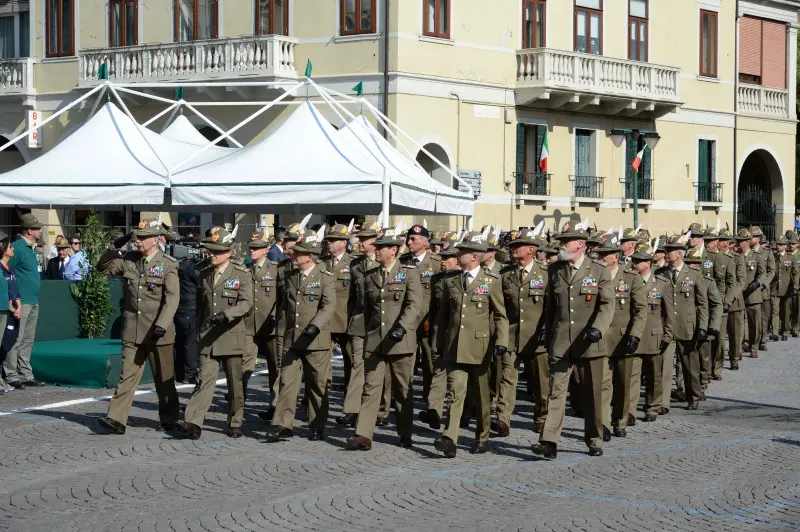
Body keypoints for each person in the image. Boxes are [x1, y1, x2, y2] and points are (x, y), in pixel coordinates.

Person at [532, 220, 614, 460]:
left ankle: (594, 438)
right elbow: (550, 307)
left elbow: (607, 305)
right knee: (556, 392)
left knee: (592, 395)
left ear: (580, 244)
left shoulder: (599, 270)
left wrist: (598, 328)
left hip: (590, 342)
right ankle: (548, 441)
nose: (561, 245)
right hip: (561, 342)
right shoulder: (555, 269)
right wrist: (546, 330)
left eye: (565, 241)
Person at [96, 219, 181, 434]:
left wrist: (162, 324)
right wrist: (116, 246)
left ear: (156, 240)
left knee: (164, 378)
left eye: (143, 238)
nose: (138, 241)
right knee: (127, 375)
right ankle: (116, 418)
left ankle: (169, 417)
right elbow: (103, 267)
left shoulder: (168, 264)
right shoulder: (130, 260)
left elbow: (172, 298)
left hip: (158, 331)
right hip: (133, 330)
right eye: (137, 237)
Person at [346, 224, 423, 451]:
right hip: (375, 340)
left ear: (394, 250)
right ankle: (363, 435)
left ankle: (405, 432)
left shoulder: (409, 274)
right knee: (371, 388)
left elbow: (414, 305)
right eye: (376, 246)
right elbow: (368, 309)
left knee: (401, 390)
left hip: (400, 340)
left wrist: (402, 327)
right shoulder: (370, 276)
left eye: (381, 247)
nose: (376, 250)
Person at [432, 231, 508, 458]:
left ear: (474, 256)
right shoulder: (451, 280)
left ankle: (482, 436)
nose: (458, 254)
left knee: (482, 396)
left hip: (480, 348)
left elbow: (499, 315)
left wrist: (501, 342)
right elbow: (443, 316)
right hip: (455, 346)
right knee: (455, 393)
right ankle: (449, 439)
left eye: (462, 251)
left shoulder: (491, 281)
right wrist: (438, 342)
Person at [265, 225, 335, 443]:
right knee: (287, 381)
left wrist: (315, 326)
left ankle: (317, 425)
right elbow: (285, 306)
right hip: (292, 339)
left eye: (298, 252)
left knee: (316, 384)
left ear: (309, 256)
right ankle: (283, 425)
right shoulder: (290, 275)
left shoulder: (325, 276)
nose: (292, 254)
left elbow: (329, 306)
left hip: (315, 340)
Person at [182, 227, 253, 439]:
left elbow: (246, 303)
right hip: (208, 337)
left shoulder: (241, 274)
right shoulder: (203, 272)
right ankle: (193, 422)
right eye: (210, 251)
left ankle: (235, 421)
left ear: (229, 252)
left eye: (216, 252)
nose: (211, 255)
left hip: (231, 335)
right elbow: (201, 307)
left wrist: (226, 315)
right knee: (203, 380)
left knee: (235, 384)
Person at [497, 228, 548, 436]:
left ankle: (542, 417)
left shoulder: (545, 274)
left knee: (540, 382)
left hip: (537, 337)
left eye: (518, 246)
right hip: (512, 335)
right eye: (512, 247)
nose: (513, 249)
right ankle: (502, 419)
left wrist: (546, 329)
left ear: (531, 249)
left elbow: (552, 307)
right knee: (507, 378)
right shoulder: (506, 275)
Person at [595, 236, 646, 439]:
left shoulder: (631, 278)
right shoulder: (595, 276)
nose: (601, 258)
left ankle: (620, 420)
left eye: (605, 255)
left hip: (624, 339)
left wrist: (635, 334)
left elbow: (641, 310)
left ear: (615, 257)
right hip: (601, 339)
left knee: (623, 384)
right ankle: (604, 424)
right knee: (603, 384)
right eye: (599, 254)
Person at [657, 234, 709, 410]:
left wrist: (703, 327)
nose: (666, 254)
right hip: (666, 327)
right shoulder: (661, 274)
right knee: (665, 366)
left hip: (687, 327)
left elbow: (702, 304)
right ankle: (662, 403)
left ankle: (693, 396)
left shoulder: (693, 275)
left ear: (679, 254)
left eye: (670, 251)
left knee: (689, 367)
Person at [337, 221, 381, 428]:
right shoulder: (355, 265)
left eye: (365, 239)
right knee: (357, 365)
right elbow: (353, 297)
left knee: (379, 369)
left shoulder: (384, 263)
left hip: (380, 324)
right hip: (360, 322)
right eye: (360, 238)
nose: (360, 242)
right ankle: (352, 410)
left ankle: (380, 408)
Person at [629, 240, 673, 422]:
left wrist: (668, 334)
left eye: (638, 261)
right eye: (634, 260)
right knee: (632, 376)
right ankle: (629, 411)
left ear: (648, 263)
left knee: (654, 375)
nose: (634, 264)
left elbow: (669, 312)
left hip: (654, 336)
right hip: (634, 336)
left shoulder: (661, 283)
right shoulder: (630, 281)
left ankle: (652, 407)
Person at [400, 224, 440, 412]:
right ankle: (402, 399)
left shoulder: (436, 263)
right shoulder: (402, 261)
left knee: (430, 364)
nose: (409, 242)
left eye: (413, 239)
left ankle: (431, 403)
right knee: (405, 362)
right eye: (408, 238)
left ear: (425, 242)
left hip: (427, 321)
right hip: (406, 322)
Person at [420, 246, 461, 429]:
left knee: (458, 378)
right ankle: (434, 411)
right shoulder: (436, 279)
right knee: (439, 372)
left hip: (461, 335)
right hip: (439, 333)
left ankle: (464, 412)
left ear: (457, 260)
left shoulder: (464, 278)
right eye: (442, 257)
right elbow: (433, 307)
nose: (443, 261)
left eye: (448, 258)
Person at [3, 213, 45, 389]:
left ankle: (25, 373)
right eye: (38, 228)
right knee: (16, 339)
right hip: (22, 301)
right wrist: (14, 299)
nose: (41, 231)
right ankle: (11, 374)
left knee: (28, 339)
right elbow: (7, 270)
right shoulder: (18, 248)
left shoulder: (33, 248)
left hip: (33, 299)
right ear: (30, 231)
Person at [245, 229, 280, 403]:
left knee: (275, 367)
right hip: (248, 325)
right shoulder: (244, 270)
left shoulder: (275, 270)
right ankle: (238, 400)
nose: (252, 250)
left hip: (270, 325)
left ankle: (275, 406)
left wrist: (276, 316)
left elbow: (281, 298)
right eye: (251, 247)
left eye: (256, 248)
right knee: (244, 365)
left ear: (266, 249)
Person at [720, 229, 746, 372]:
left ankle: (734, 358)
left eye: (724, 240)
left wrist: (729, 299)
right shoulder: (716, 257)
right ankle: (717, 362)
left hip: (734, 302)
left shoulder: (737, 258)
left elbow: (741, 281)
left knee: (735, 334)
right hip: (719, 301)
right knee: (720, 335)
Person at [738, 229, 766, 359]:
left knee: (754, 323)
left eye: (742, 241)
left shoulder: (756, 256)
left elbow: (762, 273)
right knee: (739, 324)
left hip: (753, 295)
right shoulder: (736, 256)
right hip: (738, 295)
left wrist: (757, 283)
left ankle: (754, 346)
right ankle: (740, 346)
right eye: (739, 241)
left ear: (748, 242)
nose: (740, 243)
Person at [0, 232, 21, 395]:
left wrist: (18, 306)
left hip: (12, 311)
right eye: (10, 247)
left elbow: (15, 291)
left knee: (8, 342)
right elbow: (4, 293)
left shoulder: (11, 268)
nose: (12, 249)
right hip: (5, 310)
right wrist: (12, 308)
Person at [769, 235, 798, 341]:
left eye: (781, 244)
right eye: (777, 244)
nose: (778, 246)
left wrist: (795, 286)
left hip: (786, 289)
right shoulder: (773, 257)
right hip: (774, 289)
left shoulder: (791, 257)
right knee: (775, 311)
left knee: (785, 312)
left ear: (785, 246)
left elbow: (795, 273)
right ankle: (775, 333)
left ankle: (785, 331)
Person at [750, 227, 775, 351]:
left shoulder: (767, 251)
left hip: (762, 290)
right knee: (751, 318)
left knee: (763, 317)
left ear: (758, 239)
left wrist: (763, 284)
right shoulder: (746, 251)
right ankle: (748, 341)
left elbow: (771, 271)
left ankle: (763, 340)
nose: (749, 239)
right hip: (749, 291)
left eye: (752, 236)